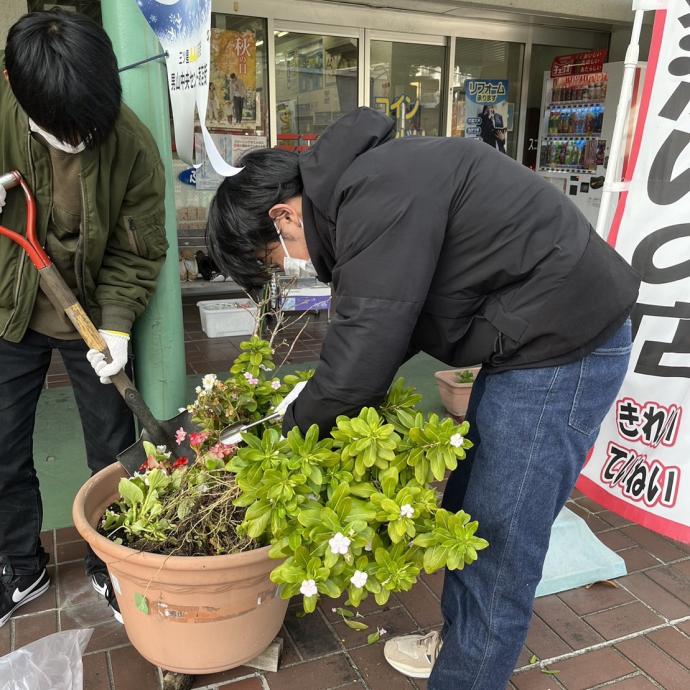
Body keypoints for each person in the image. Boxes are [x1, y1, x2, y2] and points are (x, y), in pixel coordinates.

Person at [206, 107, 639, 689]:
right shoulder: (368, 187)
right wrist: (308, 400)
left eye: (274, 257)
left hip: (565, 346)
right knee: (470, 507)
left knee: (500, 539)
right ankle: (462, 647)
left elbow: (366, 351)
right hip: (531, 341)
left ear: (283, 215)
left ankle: (467, 674)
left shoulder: (375, 193)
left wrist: (280, 434)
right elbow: (385, 327)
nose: (289, 267)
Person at [0, 10, 167, 627]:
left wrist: (118, 324)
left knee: (112, 447)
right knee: (2, 444)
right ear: (16, 86)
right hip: (6, 310)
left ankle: (109, 560)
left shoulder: (130, 142)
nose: (79, 140)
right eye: (63, 131)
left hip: (88, 311)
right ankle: (20, 565)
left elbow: (138, 247)